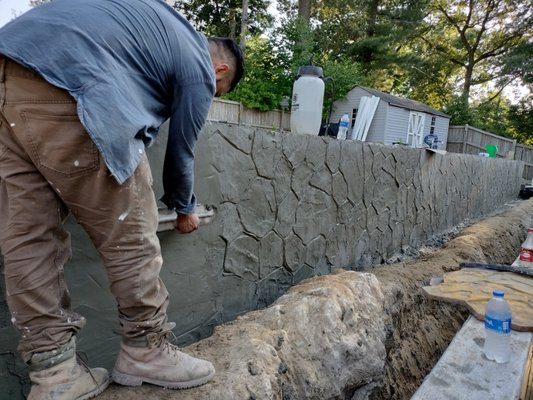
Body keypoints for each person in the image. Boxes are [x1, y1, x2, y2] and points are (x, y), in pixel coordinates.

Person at [0, 0, 244, 398]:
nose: (211, 95)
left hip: (7, 71)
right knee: (130, 230)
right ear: (221, 70)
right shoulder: (199, 64)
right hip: (71, 82)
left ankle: (55, 374)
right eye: (219, 92)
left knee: (27, 237)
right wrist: (183, 208)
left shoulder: (155, 24)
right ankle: (146, 350)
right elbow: (182, 149)